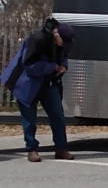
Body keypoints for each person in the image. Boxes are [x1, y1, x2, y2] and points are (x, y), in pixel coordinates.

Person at [1, 17, 76, 162]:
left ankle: (61, 148)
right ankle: (32, 149)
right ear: (57, 35)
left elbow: (64, 56)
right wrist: (52, 67)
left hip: (49, 83)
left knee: (58, 116)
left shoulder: (63, 43)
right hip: (27, 83)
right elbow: (29, 65)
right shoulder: (37, 39)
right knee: (29, 119)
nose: (65, 46)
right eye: (64, 42)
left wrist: (64, 66)